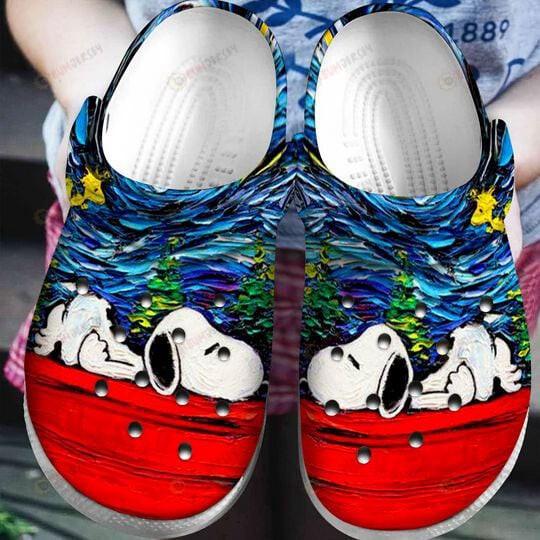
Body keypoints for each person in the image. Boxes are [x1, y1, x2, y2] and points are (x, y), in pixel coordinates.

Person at [5, 0, 540, 413]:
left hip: (445, 243)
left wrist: (502, 152)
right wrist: (103, 98)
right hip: (153, 215)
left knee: (367, 499)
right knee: (178, 492)